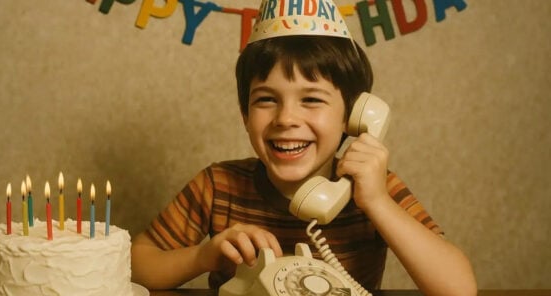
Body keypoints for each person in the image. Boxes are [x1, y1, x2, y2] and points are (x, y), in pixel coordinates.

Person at [131, 0, 477, 295]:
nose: (286, 118)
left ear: (353, 116)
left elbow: (459, 289)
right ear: (245, 115)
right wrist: (203, 257)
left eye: (311, 99)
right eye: (266, 99)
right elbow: (136, 264)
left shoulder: (376, 188)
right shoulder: (217, 185)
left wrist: (375, 201)